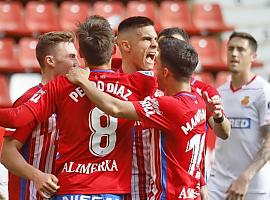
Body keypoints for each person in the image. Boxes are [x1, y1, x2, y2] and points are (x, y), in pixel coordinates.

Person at [0, 15, 156, 200]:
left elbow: (17, 117)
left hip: (71, 188)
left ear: (81, 53)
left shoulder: (62, 86)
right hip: (112, 189)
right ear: (114, 49)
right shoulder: (139, 83)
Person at [66, 37, 219, 199]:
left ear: (166, 72)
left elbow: (115, 108)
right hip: (191, 194)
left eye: (157, 67)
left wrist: (84, 82)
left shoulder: (170, 106)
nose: (154, 72)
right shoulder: (199, 101)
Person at [0, 31, 80, 199]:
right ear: (50, 61)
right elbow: (6, 153)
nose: (77, 63)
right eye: (71, 57)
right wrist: (36, 175)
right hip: (30, 194)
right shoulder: (29, 100)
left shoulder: (72, 100)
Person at [208, 32, 270, 200]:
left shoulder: (263, 91)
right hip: (219, 185)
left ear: (253, 56)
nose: (234, 54)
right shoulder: (219, 92)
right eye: (230, 49)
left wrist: (246, 177)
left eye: (240, 49)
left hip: (253, 186)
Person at [115, 16, 158, 199]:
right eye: (147, 39)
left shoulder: (167, 86)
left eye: (155, 39)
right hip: (117, 190)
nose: (155, 44)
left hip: (157, 191)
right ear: (126, 46)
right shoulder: (107, 87)